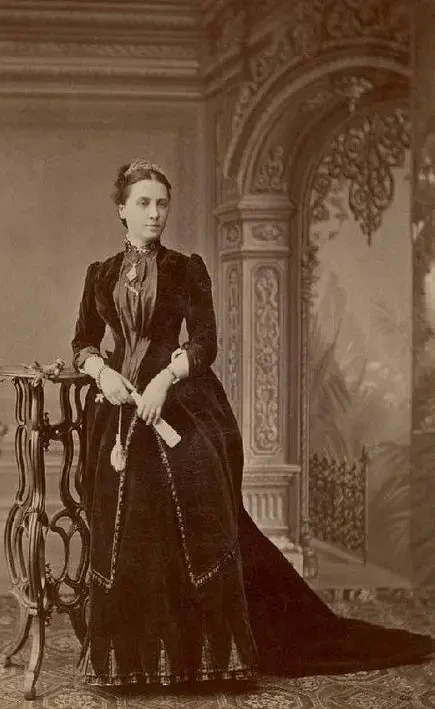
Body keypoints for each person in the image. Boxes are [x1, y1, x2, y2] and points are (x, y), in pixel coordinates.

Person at [71, 159, 434, 688]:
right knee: (125, 523)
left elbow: (205, 343)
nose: (155, 214)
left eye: (162, 203)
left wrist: (165, 379)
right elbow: (82, 341)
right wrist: (101, 372)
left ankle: (205, 660)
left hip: (180, 404)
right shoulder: (100, 275)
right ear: (122, 210)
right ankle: (131, 664)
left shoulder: (186, 269)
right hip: (120, 412)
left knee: (195, 514)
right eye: (143, 203)